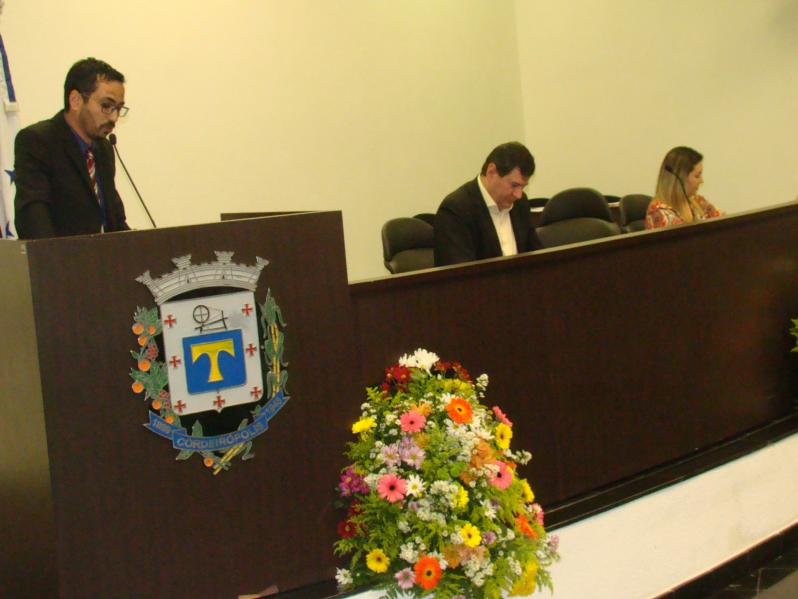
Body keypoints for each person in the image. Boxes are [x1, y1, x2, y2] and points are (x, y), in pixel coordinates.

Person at [14, 57, 130, 238]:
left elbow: (114, 219)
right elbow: (33, 218)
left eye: (119, 108)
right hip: (61, 254)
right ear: (75, 100)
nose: (114, 117)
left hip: (103, 255)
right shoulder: (38, 141)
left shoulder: (104, 149)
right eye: (106, 106)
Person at [434, 142, 538, 266]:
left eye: (523, 187)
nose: (518, 195)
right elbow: (460, 273)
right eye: (514, 185)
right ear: (491, 172)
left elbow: (537, 257)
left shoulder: (520, 204)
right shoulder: (455, 211)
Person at [645, 146, 721, 229]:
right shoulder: (658, 213)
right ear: (680, 178)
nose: (701, 181)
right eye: (697, 176)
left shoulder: (699, 202)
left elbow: (722, 225)